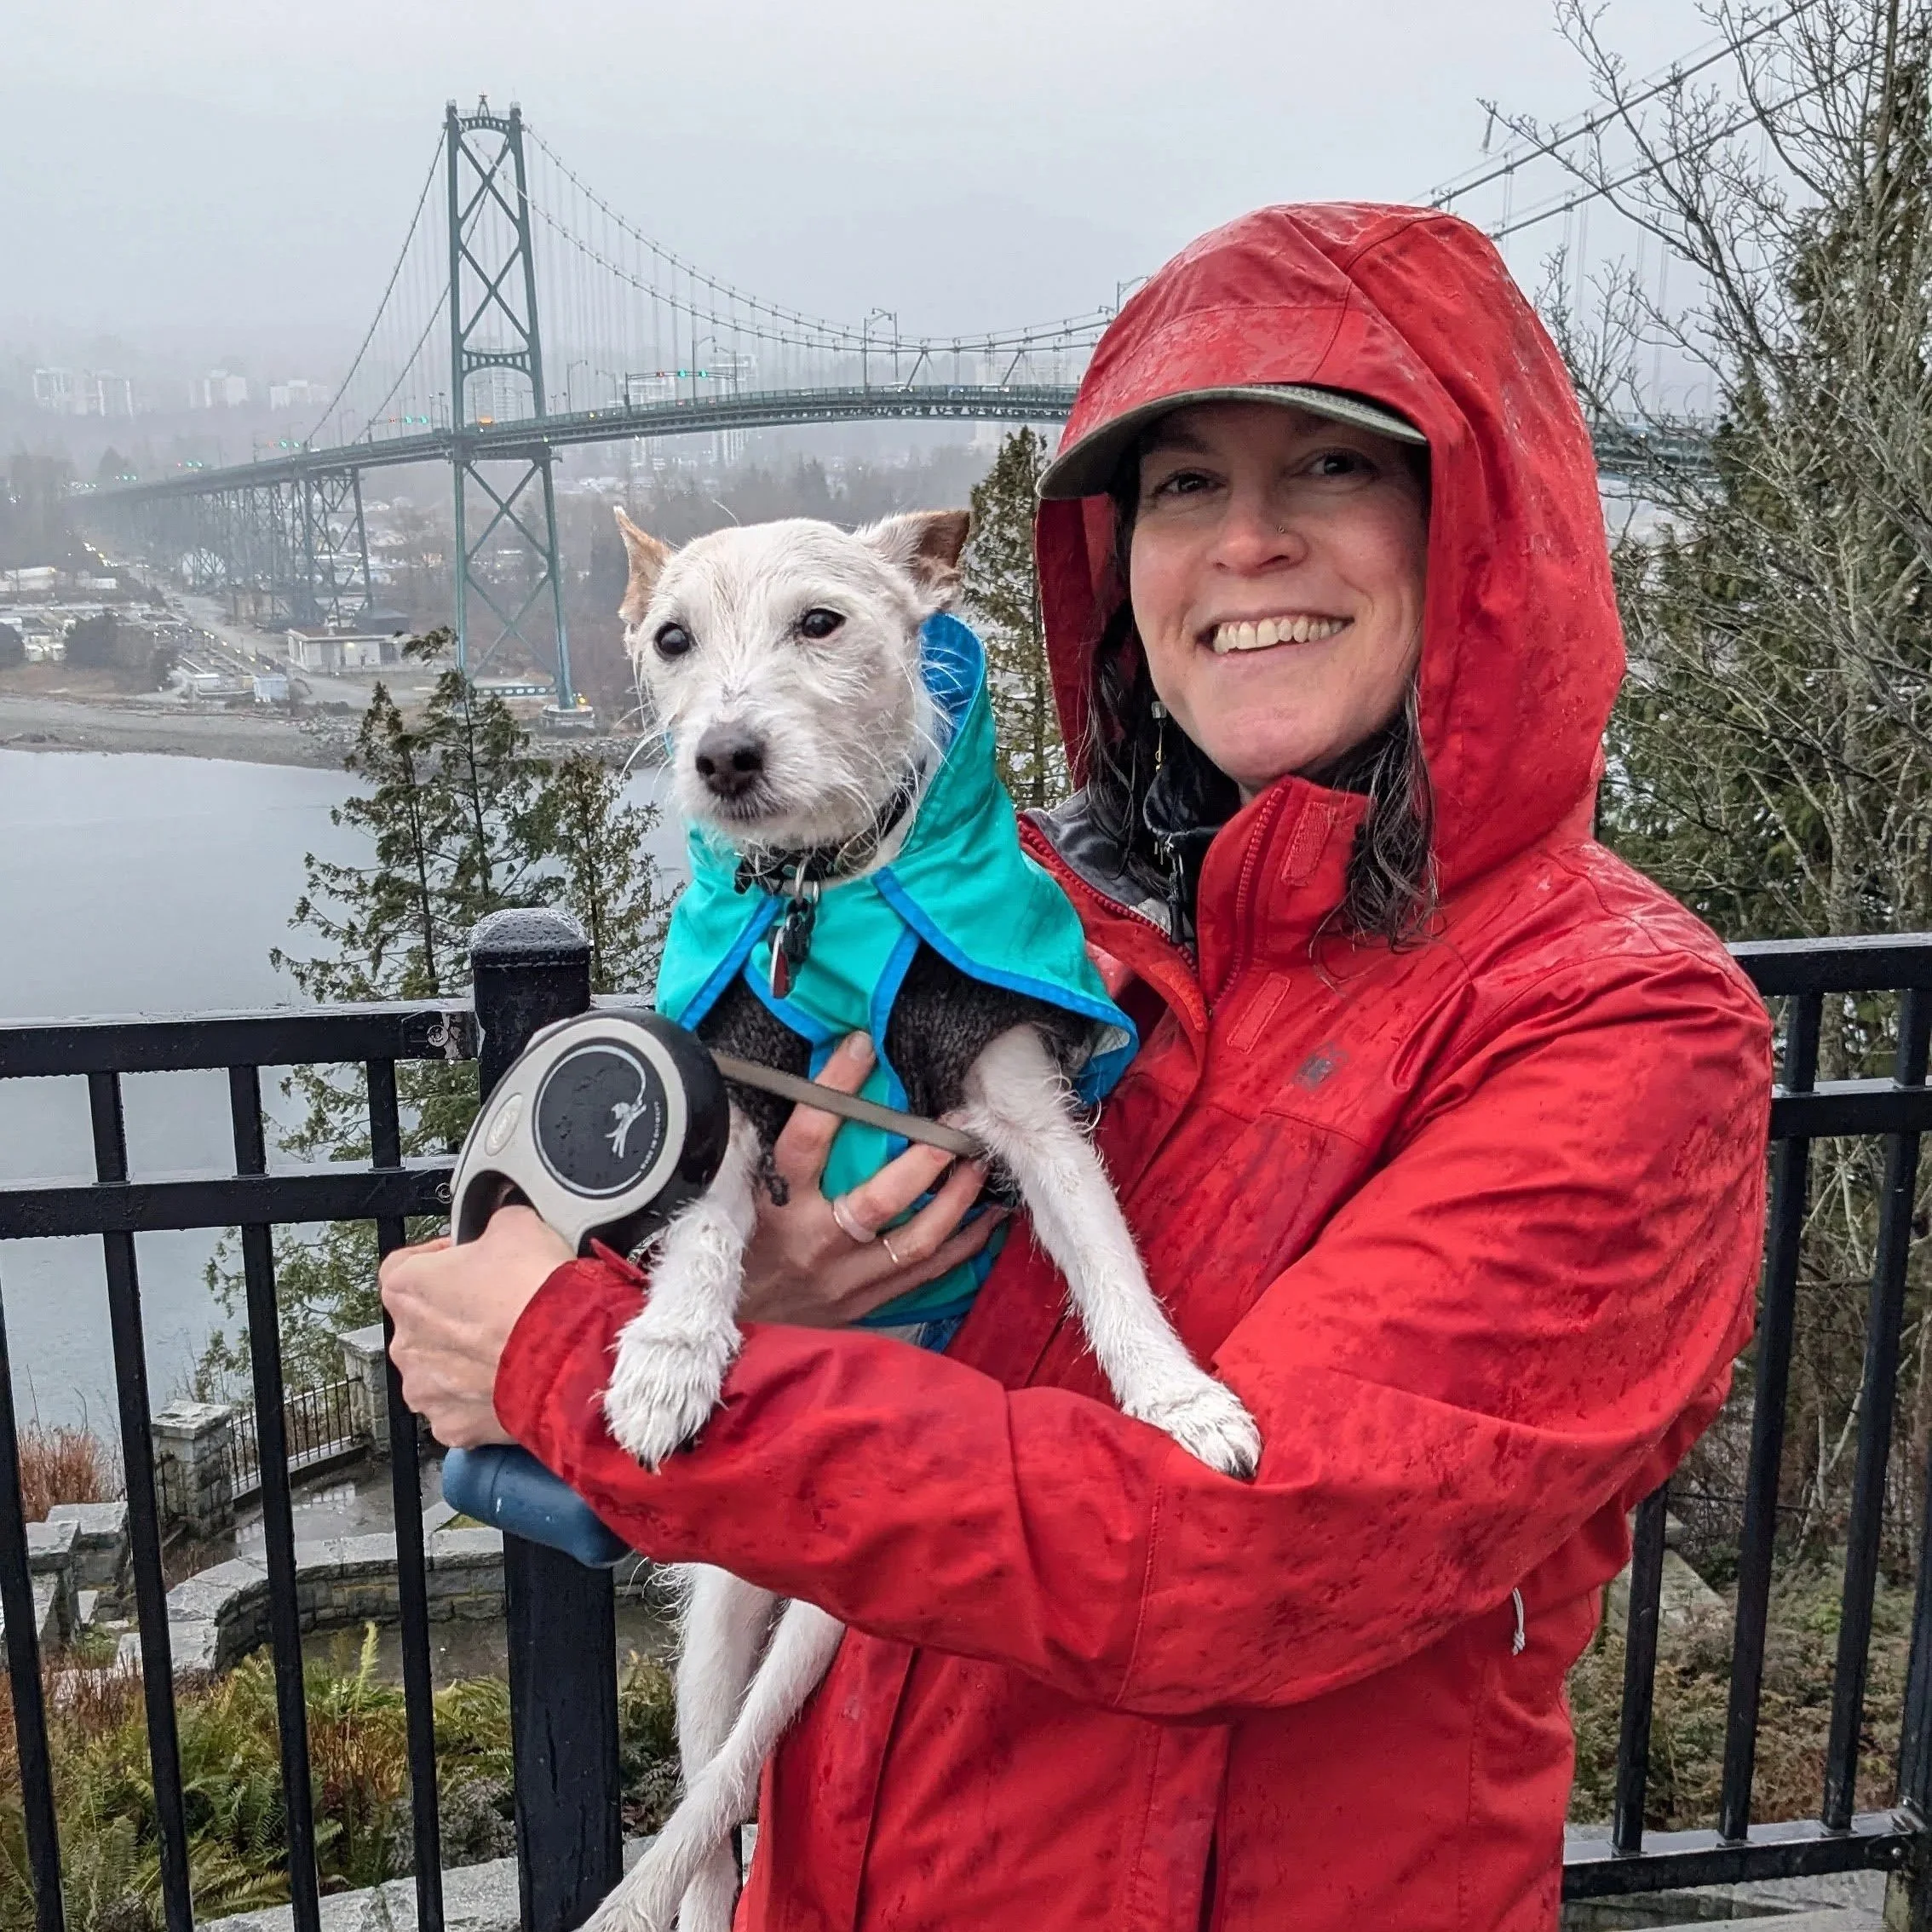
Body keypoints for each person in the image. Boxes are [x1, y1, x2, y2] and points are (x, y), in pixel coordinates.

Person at [382, 204, 1773, 1931]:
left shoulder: (1619, 1028)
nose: (1248, 544)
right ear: (1118, 556)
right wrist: (751, 1298)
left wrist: (565, 1357)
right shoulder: (1032, 920)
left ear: (1482, 532)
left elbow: (1224, 1562)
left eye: (1335, 466)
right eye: (1184, 485)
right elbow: (862, 1348)